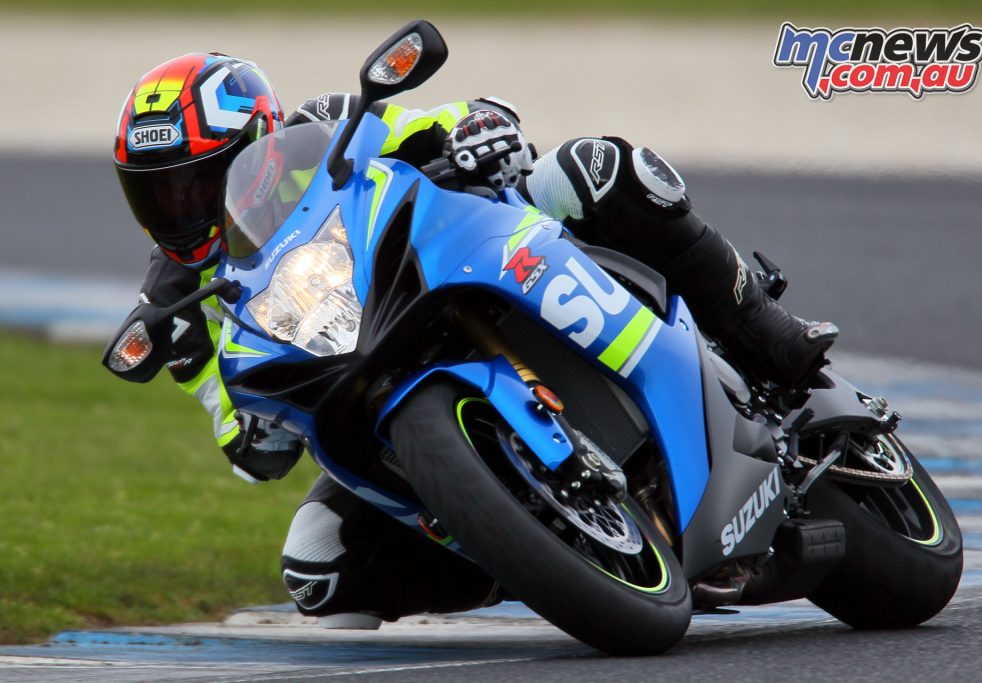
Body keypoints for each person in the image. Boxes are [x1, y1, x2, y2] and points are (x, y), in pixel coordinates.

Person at [113, 52, 837, 627]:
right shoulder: (174, 300)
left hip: (456, 258)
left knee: (596, 168)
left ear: (258, 144)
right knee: (318, 566)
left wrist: (472, 128)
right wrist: (246, 430)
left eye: (199, 181)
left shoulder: (323, 127)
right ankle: (535, 550)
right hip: (360, 382)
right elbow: (241, 435)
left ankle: (765, 332)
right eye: (160, 194)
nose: (184, 207)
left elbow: (443, 119)